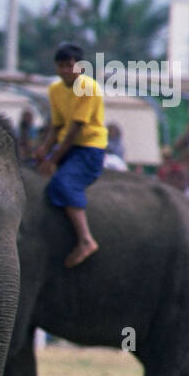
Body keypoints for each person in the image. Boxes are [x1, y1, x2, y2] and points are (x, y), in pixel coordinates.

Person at [34, 43, 107, 267]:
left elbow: (75, 129)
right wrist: (43, 149)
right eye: (61, 66)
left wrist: (53, 159)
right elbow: (57, 126)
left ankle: (86, 239)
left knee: (64, 183)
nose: (66, 70)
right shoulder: (54, 90)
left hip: (88, 147)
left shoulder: (88, 87)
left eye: (70, 65)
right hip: (67, 147)